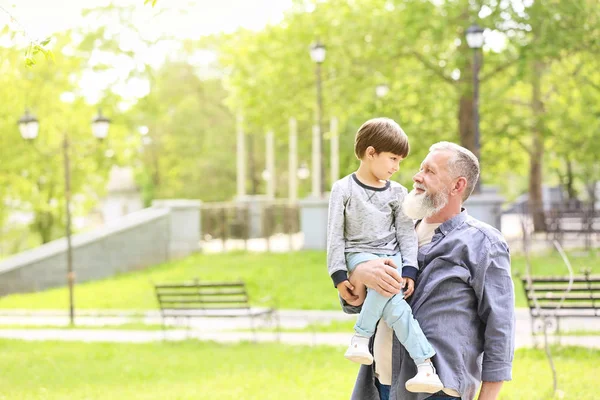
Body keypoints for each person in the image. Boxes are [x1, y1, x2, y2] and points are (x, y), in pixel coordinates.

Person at [342, 141, 515, 400]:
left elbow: (500, 330)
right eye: (421, 168)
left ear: (457, 186)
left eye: (430, 171)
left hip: (438, 391)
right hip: (377, 386)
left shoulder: (483, 243)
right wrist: (359, 275)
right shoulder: (393, 233)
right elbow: (354, 303)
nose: (417, 176)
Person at [327, 118, 443, 394]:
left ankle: (361, 337)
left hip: (392, 258)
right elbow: (335, 236)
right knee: (386, 287)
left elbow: (405, 235)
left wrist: (409, 270)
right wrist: (339, 275)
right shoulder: (343, 189)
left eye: (400, 161)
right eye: (392, 158)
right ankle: (424, 363)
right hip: (357, 255)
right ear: (370, 153)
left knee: (394, 302)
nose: (396, 167)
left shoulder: (397, 193)